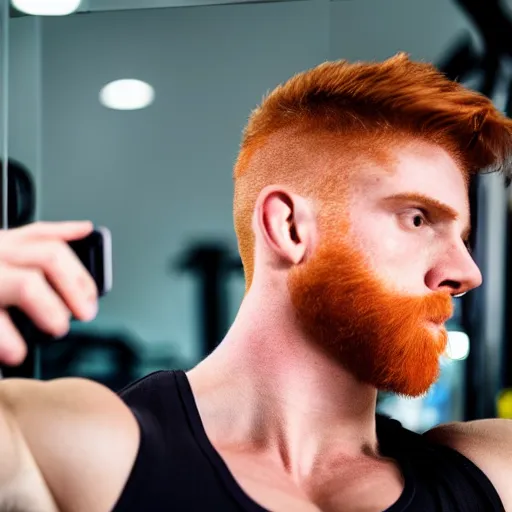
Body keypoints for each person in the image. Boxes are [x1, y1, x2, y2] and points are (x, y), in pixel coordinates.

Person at [0, 53, 511, 512]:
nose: (466, 272)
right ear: (288, 227)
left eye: (462, 238)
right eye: (419, 219)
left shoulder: (492, 472)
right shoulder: (81, 451)